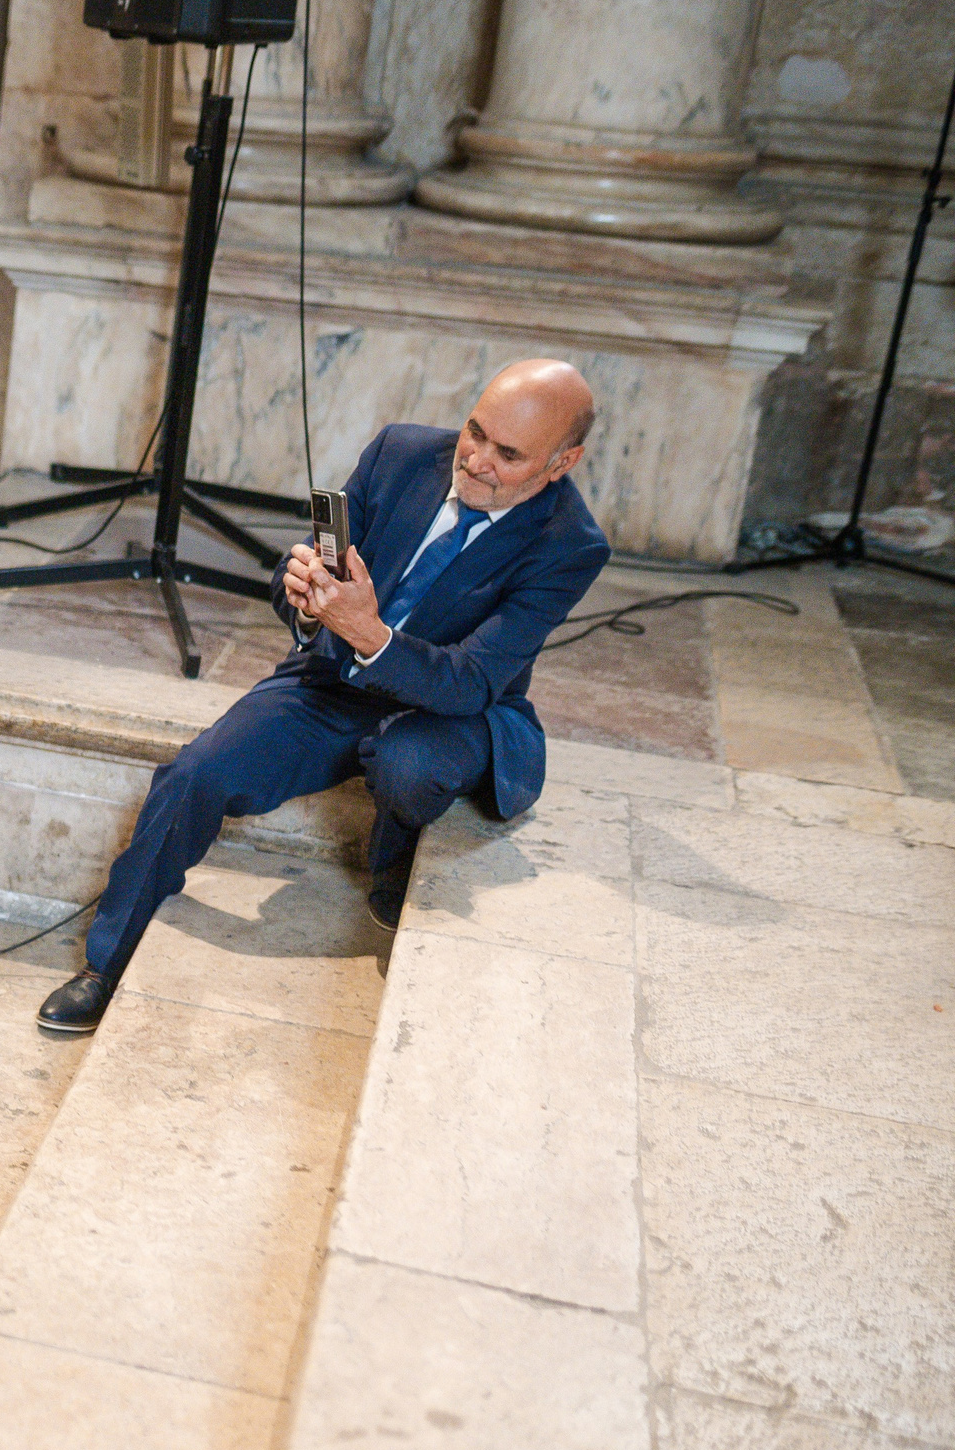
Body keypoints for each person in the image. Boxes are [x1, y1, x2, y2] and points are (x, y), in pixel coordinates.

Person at [35, 360, 613, 1034]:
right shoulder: (401, 453)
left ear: (560, 462)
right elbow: (304, 571)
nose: (477, 460)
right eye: (475, 432)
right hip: (333, 679)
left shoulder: (569, 544)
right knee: (196, 773)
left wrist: (369, 629)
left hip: (450, 708)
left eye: (508, 454)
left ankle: (394, 859)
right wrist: (308, 596)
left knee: (406, 763)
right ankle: (104, 965)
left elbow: (472, 679)